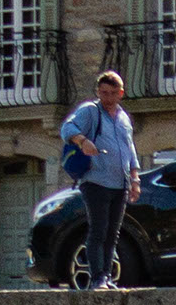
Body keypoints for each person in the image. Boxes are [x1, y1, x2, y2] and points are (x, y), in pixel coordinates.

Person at [59, 69, 139, 288]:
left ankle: (106, 275)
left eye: (112, 93)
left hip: (119, 183)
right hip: (96, 181)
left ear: (120, 93)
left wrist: (134, 178)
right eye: (103, 93)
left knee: (112, 233)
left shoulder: (123, 117)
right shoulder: (90, 111)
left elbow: (129, 148)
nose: (107, 98)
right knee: (98, 229)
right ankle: (98, 277)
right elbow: (67, 128)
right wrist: (83, 140)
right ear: (98, 92)